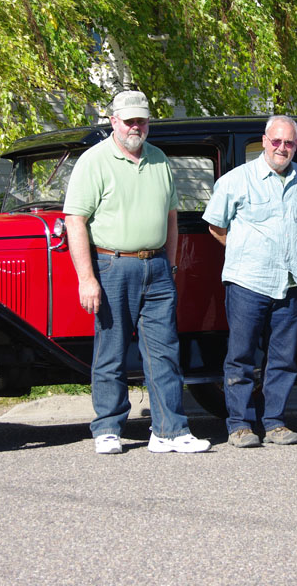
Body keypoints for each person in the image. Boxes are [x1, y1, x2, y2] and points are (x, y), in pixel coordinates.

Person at [62, 90, 211, 455]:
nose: (135, 127)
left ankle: (169, 431)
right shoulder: (94, 161)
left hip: (158, 265)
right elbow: (75, 221)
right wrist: (86, 277)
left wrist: (170, 263)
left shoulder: (159, 159)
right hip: (112, 264)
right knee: (111, 351)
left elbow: (171, 216)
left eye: (141, 120)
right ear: (114, 122)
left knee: (164, 352)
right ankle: (108, 428)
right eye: (128, 121)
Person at [203, 115, 297, 448]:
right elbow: (215, 225)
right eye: (276, 141)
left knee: (283, 359)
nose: (282, 148)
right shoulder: (236, 181)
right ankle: (239, 425)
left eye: (289, 143)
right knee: (241, 356)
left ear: (295, 146)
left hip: (292, 284)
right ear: (264, 141)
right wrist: (243, 248)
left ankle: (275, 423)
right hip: (247, 283)